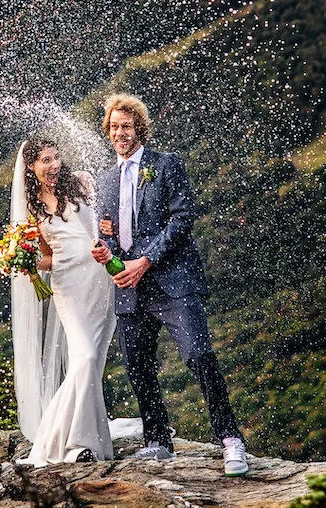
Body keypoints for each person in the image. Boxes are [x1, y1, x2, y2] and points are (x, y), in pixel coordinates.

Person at [89, 94, 249, 476]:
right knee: (138, 366)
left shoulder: (166, 165)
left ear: (139, 128)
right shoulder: (106, 181)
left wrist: (144, 261)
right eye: (114, 127)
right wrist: (105, 251)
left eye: (126, 126)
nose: (120, 133)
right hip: (129, 287)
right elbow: (110, 231)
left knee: (198, 356)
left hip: (172, 281)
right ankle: (158, 442)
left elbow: (182, 219)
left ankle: (230, 440)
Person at [10, 136, 116, 465]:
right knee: (83, 359)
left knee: (91, 365)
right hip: (68, 286)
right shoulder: (31, 208)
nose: (53, 164)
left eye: (55, 158)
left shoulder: (81, 183)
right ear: (31, 166)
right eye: (45, 160)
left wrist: (109, 243)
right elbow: (48, 258)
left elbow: (105, 229)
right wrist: (21, 259)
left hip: (100, 280)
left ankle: (86, 445)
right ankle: (63, 442)